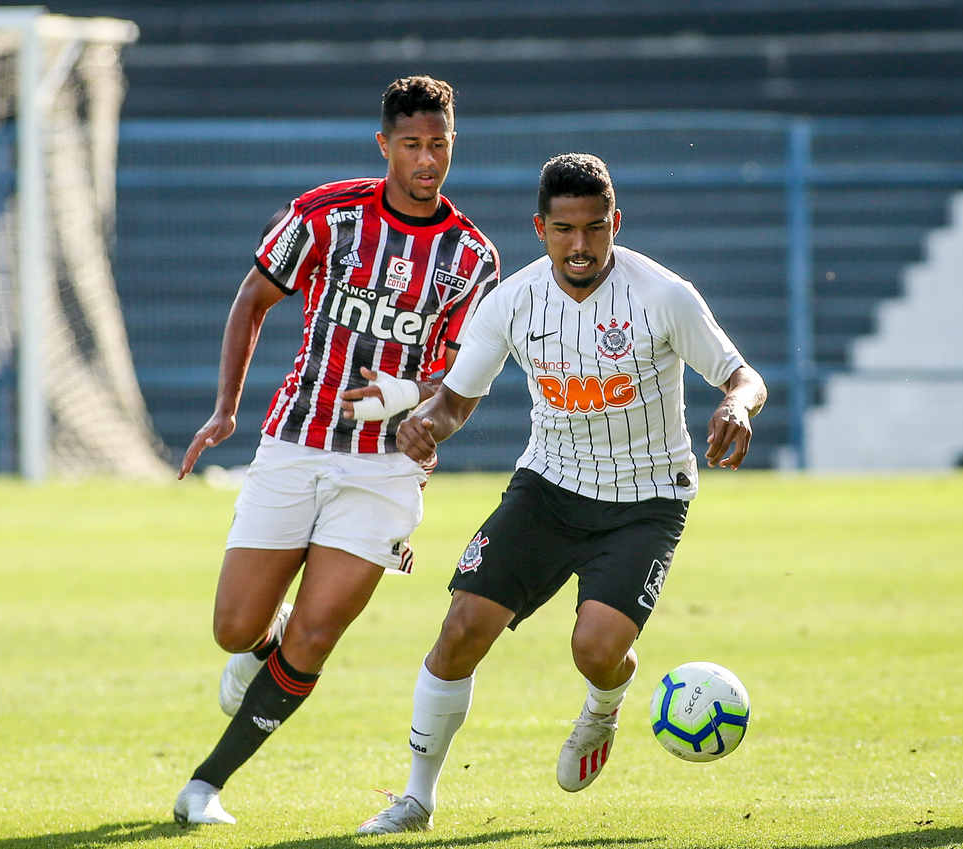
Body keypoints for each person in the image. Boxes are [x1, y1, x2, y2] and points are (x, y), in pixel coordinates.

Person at [358, 152, 768, 834]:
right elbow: (455, 401)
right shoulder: (513, 301)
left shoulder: (664, 294)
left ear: (616, 223)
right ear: (540, 227)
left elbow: (742, 374)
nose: (580, 245)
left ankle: (603, 705)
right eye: (565, 229)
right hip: (548, 487)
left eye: (595, 228)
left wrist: (740, 407)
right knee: (460, 630)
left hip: (646, 499)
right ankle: (417, 799)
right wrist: (426, 423)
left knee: (595, 648)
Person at [171, 75, 501, 826]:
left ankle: (204, 785)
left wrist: (409, 400)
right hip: (296, 441)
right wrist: (225, 410)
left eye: (440, 146)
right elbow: (253, 298)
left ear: (454, 145)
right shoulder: (326, 214)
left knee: (318, 633)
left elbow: (464, 372)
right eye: (412, 145)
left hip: (387, 469)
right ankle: (264, 638)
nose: (427, 160)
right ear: (384, 145)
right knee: (234, 629)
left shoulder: (472, 257)